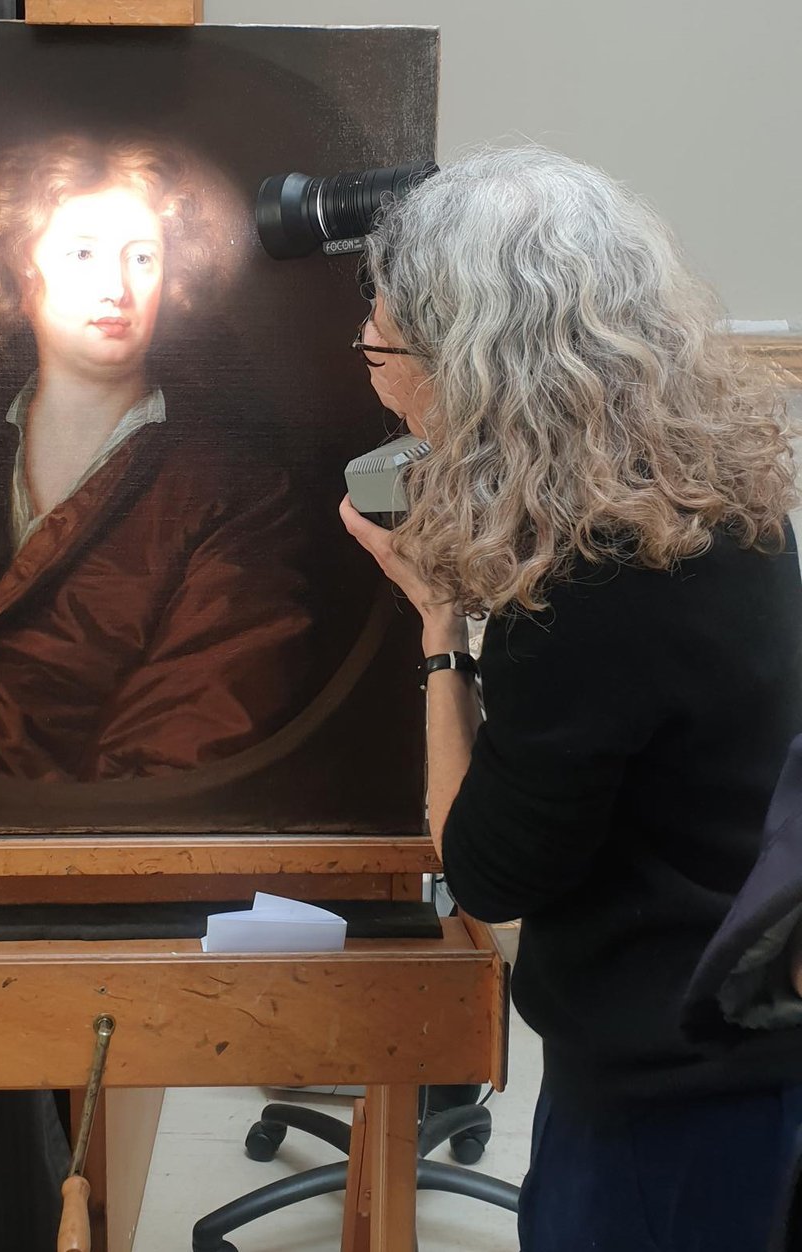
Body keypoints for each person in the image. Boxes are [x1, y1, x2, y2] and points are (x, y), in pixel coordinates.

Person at [340, 147, 802, 1250]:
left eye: (385, 343)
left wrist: (440, 635)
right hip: (749, 1024)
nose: (368, 361)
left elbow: (489, 872)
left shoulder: (591, 585)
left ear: (473, 366)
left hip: (678, 1090)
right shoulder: (718, 495)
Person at [0, 134, 316, 781]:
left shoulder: (234, 490)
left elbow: (199, 724)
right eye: (82, 253)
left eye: (142, 257)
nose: (116, 288)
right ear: (21, 276)